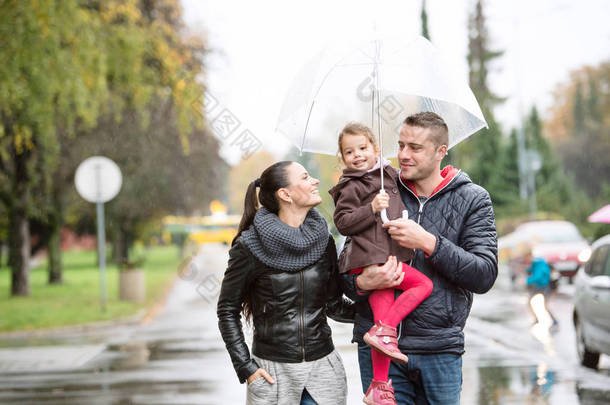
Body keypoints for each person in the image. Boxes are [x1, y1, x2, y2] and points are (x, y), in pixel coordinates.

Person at [340, 112, 498, 405]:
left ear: (440, 152)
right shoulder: (379, 189)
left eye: (415, 147)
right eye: (400, 145)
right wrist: (362, 282)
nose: (403, 155)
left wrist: (429, 243)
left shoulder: (473, 199)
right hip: (379, 355)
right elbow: (345, 269)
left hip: (439, 348)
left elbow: (484, 274)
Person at [217, 161, 354, 405]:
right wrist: (246, 368)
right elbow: (227, 311)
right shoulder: (249, 246)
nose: (315, 181)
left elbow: (333, 305)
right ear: (285, 194)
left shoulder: (324, 241)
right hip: (272, 374)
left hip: (323, 371)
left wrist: (383, 311)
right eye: (305, 177)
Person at [328, 122, 433, 405]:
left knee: (380, 329)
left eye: (363, 148)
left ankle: (378, 386)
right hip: (368, 259)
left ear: (376, 149)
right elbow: (343, 223)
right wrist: (371, 208)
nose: (358, 155)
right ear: (342, 158)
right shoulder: (349, 185)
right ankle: (384, 330)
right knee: (422, 284)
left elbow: (419, 180)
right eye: (349, 152)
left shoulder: (391, 175)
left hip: (388, 258)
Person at [524, 249, 558, 329]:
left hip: (545, 286)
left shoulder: (540, 263)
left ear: (530, 256)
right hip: (537, 286)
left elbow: (538, 276)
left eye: (527, 258)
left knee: (545, 305)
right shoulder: (534, 263)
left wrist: (526, 281)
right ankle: (536, 319)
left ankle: (555, 322)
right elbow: (530, 270)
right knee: (529, 302)